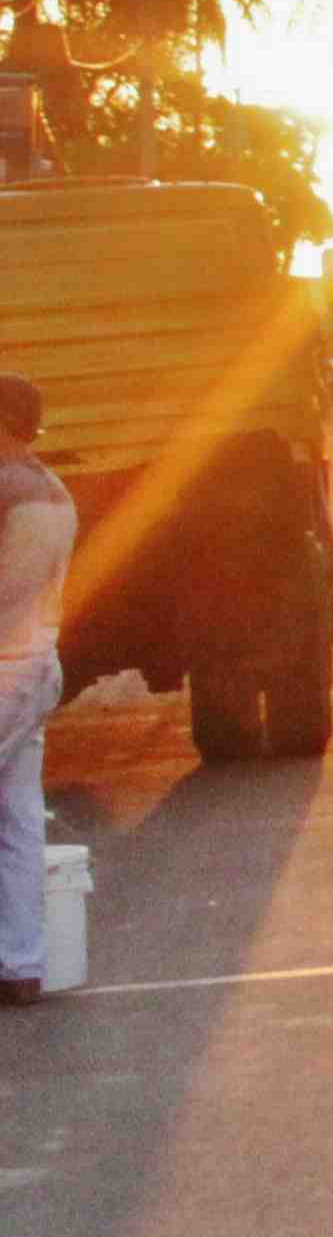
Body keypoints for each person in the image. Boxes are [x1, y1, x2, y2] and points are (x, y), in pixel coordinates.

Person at [1, 373, 70, 1007]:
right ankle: (21, 962)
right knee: (19, 820)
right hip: (39, 669)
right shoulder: (56, 491)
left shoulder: (3, 490)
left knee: (18, 819)